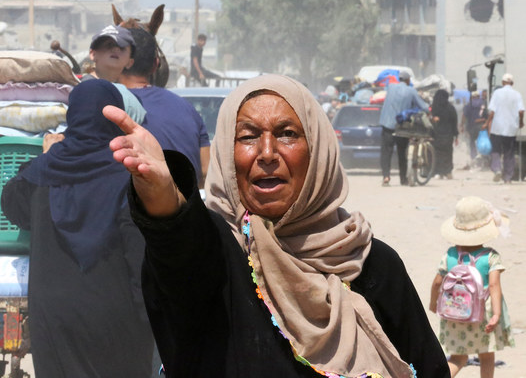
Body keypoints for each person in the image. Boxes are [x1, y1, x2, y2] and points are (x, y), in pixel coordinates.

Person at [103, 74, 449, 377]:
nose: (267, 152)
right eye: (248, 136)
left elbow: (428, 367)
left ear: (317, 152)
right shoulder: (222, 257)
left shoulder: (372, 263)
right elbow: (181, 251)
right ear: (227, 151)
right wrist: (162, 194)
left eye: (286, 134)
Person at [1, 79, 155, 378]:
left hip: (53, 321)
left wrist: (47, 156)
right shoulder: (129, 176)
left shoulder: (42, 175)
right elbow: (141, 262)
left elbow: (11, 205)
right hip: (115, 322)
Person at [429, 196, 515, 378]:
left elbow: (437, 282)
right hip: (482, 316)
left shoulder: (450, 254)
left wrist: (433, 302)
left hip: (455, 314)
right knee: (486, 356)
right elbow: (494, 286)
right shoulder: (491, 257)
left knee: (458, 359)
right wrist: (497, 315)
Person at [119, 27, 211, 187]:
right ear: (156, 64)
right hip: (188, 207)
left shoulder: (110, 107)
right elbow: (206, 171)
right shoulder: (187, 108)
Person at [378, 71, 429, 186]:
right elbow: (423, 107)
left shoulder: (390, 87)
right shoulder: (411, 91)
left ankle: (386, 176)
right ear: (407, 80)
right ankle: (403, 179)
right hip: (401, 127)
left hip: (387, 125)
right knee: (402, 153)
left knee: (386, 152)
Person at [484, 73, 524, 184]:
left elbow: (492, 111)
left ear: (502, 82)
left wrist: (487, 123)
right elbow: (521, 111)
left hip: (497, 128)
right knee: (509, 153)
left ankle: (497, 169)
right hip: (511, 129)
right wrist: (521, 122)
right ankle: (507, 178)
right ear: (512, 83)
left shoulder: (497, 93)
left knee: (496, 150)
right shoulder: (517, 94)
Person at [431, 89, 459, 179]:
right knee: (448, 153)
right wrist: (456, 136)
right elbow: (454, 122)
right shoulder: (451, 108)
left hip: (436, 135)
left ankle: (438, 172)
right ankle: (447, 171)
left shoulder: (434, 108)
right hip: (448, 135)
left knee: (437, 153)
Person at [460, 90, 488, 167]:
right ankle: (483, 160)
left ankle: (474, 159)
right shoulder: (483, 105)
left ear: (471, 97)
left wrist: (462, 126)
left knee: (472, 143)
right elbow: (487, 116)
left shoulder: (468, 105)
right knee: (482, 143)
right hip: (481, 127)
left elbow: (464, 116)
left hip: (471, 128)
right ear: (478, 97)